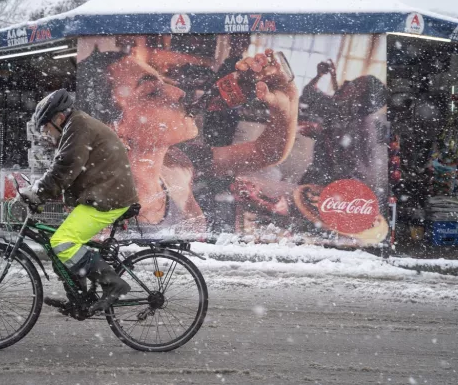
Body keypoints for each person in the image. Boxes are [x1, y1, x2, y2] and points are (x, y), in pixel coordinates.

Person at [76, 46, 299, 237]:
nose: (179, 92)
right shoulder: (100, 214)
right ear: (112, 129)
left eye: (165, 82)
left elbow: (265, 152)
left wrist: (287, 101)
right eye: (152, 92)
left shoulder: (177, 163)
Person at [19, 89, 139, 313]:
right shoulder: (75, 125)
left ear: (59, 118)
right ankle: (79, 299)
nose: (46, 133)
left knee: (62, 243)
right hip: (103, 194)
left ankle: (113, 284)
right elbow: (64, 168)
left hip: (108, 198)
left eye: (46, 127)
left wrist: (39, 193)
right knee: (58, 246)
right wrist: (43, 189)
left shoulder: (78, 126)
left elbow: (66, 166)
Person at [299, 60, 388, 186]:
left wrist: (321, 131)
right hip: (315, 178)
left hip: (335, 189)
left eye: (355, 83)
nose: (347, 82)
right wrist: (319, 75)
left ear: (360, 97)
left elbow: (357, 174)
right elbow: (309, 94)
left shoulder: (364, 129)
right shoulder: (340, 106)